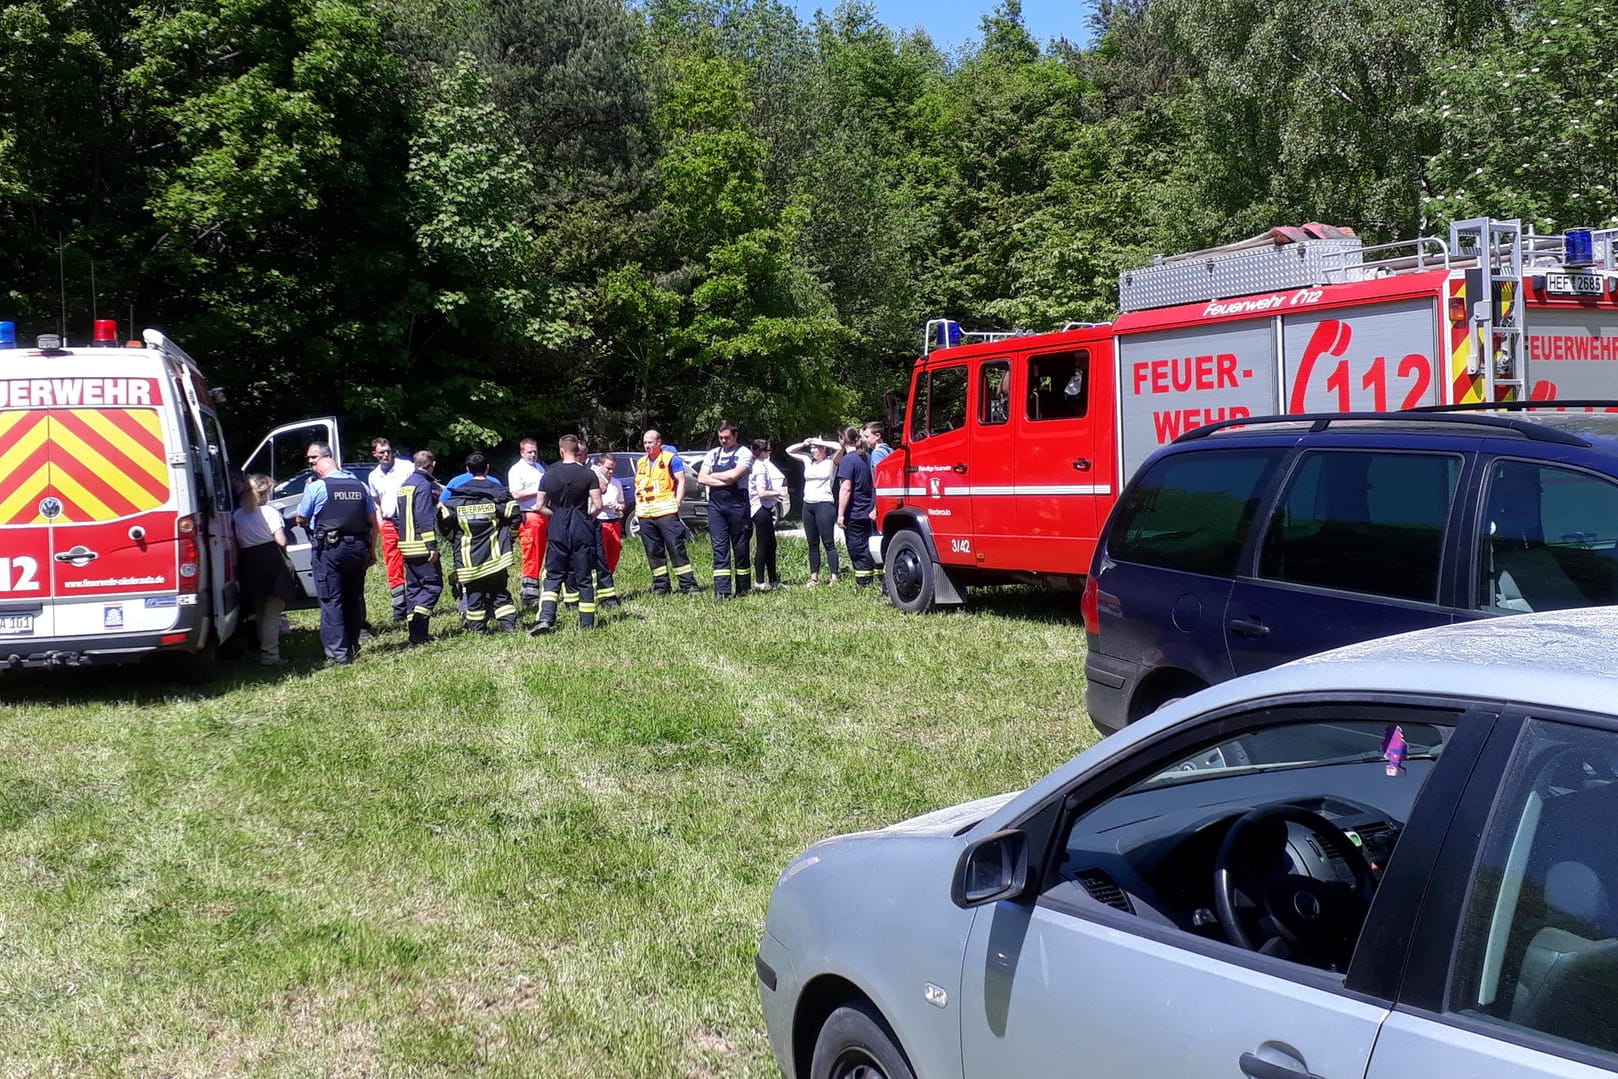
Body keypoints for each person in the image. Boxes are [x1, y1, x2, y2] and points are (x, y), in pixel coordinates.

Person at [295, 442, 375, 664]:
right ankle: (353, 645)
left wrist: (307, 523)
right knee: (353, 597)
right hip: (358, 548)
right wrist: (371, 549)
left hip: (330, 551)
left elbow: (302, 517)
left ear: (321, 469)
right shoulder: (361, 486)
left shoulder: (316, 487)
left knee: (332, 599)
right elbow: (372, 521)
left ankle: (338, 654)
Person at [532, 435, 605, 634]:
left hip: (558, 526)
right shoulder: (589, 474)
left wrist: (556, 515)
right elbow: (598, 505)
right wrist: (585, 516)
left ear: (561, 451)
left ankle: (546, 617)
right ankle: (587, 623)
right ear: (576, 450)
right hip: (581, 525)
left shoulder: (548, 475)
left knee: (554, 574)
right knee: (584, 577)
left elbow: (539, 506)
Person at [440, 453, 521, 632]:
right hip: (496, 556)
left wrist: (454, 538)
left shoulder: (457, 496)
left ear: (468, 469)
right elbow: (515, 514)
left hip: (468, 558)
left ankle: (477, 629)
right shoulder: (498, 492)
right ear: (487, 468)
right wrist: (510, 537)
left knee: (473, 594)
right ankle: (509, 626)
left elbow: (443, 521)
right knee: (500, 592)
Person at [233, 474, 297, 667]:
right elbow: (281, 541)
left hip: (249, 563)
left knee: (260, 610)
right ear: (265, 492)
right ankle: (270, 656)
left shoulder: (237, 515)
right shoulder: (269, 512)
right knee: (273, 611)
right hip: (270, 561)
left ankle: (262, 649)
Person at [634, 429, 702, 595]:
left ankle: (688, 585)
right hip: (645, 514)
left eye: (650, 442)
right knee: (653, 551)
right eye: (645, 443)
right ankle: (661, 586)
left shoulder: (671, 459)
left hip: (666, 511)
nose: (647, 446)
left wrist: (677, 503)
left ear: (658, 443)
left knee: (676, 548)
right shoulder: (641, 462)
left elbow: (681, 481)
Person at [392, 450, 444, 644]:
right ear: (432, 464)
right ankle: (419, 629)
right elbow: (424, 516)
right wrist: (431, 545)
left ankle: (414, 633)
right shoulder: (424, 485)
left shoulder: (405, 485)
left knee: (414, 588)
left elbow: (397, 517)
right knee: (433, 586)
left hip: (406, 545)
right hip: (422, 546)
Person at [700, 421, 754, 599]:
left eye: (727, 437)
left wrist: (713, 476)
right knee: (719, 547)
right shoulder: (713, 454)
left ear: (735, 435)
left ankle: (743, 588)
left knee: (740, 547)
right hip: (716, 506)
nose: (723, 441)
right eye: (721, 437)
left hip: (737, 505)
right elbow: (701, 477)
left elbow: (733, 477)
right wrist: (721, 479)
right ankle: (722, 591)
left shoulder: (744, 453)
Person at [366, 437, 415, 622]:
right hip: (388, 522)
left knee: (413, 560)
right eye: (382, 452)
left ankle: (416, 603)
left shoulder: (406, 467)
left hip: (408, 520)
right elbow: (376, 503)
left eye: (388, 451)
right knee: (393, 565)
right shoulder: (373, 476)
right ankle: (399, 608)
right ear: (375, 454)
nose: (386, 455)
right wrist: (380, 526)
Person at [787, 435, 841, 586]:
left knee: (828, 542)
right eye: (811, 449)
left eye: (816, 448)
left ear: (823, 449)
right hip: (808, 505)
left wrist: (820, 442)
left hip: (824, 504)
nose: (813, 451)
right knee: (812, 543)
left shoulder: (831, 461)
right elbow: (789, 450)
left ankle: (834, 576)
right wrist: (805, 442)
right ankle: (814, 577)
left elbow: (839, 447)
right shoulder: (807, 460)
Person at [836, 424, 878, 590]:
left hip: (855, 512)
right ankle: (879, 580)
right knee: (871, 545)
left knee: (857, 547)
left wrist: (840, 514)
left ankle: (863, 584)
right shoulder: (868, 456)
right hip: (870, 510)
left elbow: (845, 489)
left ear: (842, 440)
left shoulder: (847, 460)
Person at [508, 438, 548, 609]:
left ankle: (537, 587)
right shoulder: (517, 470)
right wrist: (538, 491)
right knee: (531, 553)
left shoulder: (539, 468)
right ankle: (528, 593)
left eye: (535, 451)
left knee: (541, 553)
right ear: (522, 452)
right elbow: (515, 494)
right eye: (529, 452)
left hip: (543, 514)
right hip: (528, 515)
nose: (533, 455)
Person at [748, 438, 788, 590]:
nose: (770, 452)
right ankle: (759, 581)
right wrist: (778, 493)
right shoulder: (759, 467)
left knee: (772, 544)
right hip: (760, 508)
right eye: (768, 450)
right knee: (763, 545)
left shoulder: (758, 465)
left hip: (764, 507)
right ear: (762, 452)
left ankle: (773, 579)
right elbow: (761, 492)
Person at [591, 454, 626, 606]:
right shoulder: (593, 481)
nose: (611, 472)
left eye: (613, 469)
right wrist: (603, 505)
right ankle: (601, 590)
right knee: (601, 558)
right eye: (608, 468)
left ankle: (606, 585)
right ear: (600, 465)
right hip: (600, 521)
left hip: (614, 522)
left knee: (614, 555)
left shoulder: (616, 483)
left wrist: (619, 506)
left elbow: (623, 503)